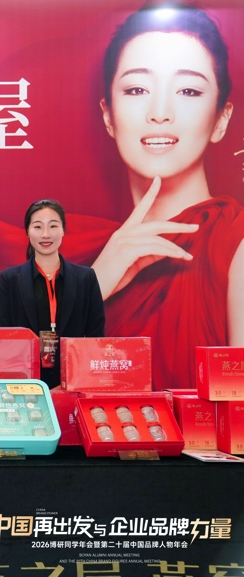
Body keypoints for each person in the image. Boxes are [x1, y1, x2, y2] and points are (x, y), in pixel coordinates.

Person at [90, 3, 244, 389]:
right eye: (137, 89)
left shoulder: (234, 243)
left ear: (221, 119)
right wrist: (94, 284)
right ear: (108, 116)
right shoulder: (84, 251)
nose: (160, 113)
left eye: (188, 90)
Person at [0, 200, 105, 388]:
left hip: (74, 382)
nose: (46, 234)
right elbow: (2, 336)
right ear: (27, 231)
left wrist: (75, 380)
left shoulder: (85, 278)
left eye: (53, 226)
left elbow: (96, 335)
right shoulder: (10, 279)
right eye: (38, 227)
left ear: (63, 230)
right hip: (24, 381)